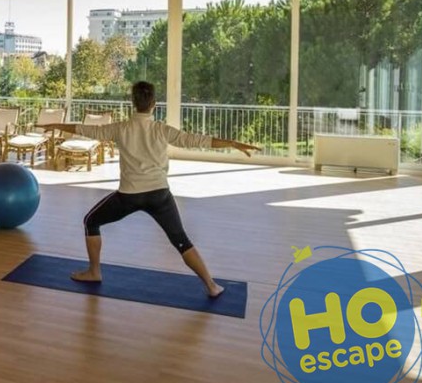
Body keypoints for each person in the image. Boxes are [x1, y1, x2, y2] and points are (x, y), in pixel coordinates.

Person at [41, 81, 260, 296]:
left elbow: (86, 129)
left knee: (91, 221)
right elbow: (196, 140)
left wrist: (56, 125)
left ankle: (94, 271)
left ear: (132, 103)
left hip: (129, 196)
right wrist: (232, 143)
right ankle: (212, 286)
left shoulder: (120, 128)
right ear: (154, 103)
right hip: (159, 195)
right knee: (181, 241)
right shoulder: (161, 130)